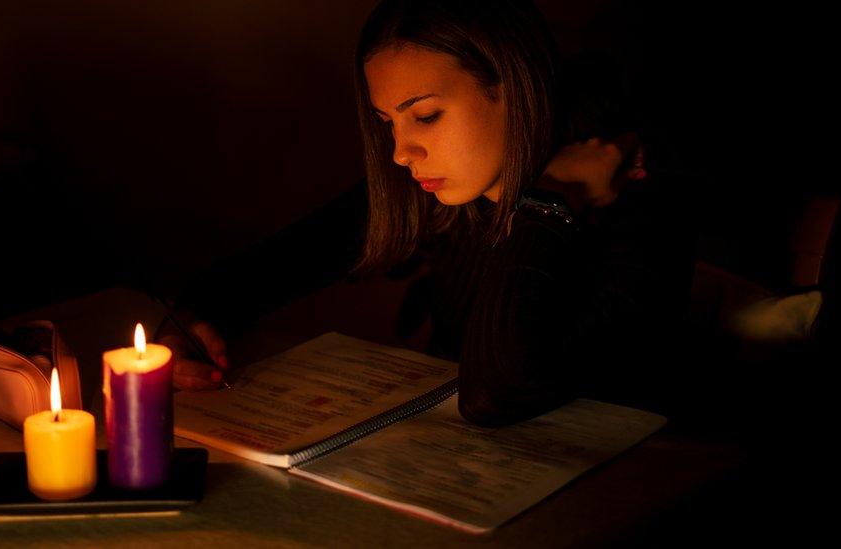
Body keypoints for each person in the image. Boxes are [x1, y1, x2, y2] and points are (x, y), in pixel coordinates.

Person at [161, 0, 695, 426]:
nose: (400, 151)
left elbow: (496, 393)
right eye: (388, 122)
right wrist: (189, 324)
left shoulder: (635, 206)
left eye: (426, 115)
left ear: (514, 87)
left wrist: (551, 201)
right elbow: (272, 267)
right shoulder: (433, 191)